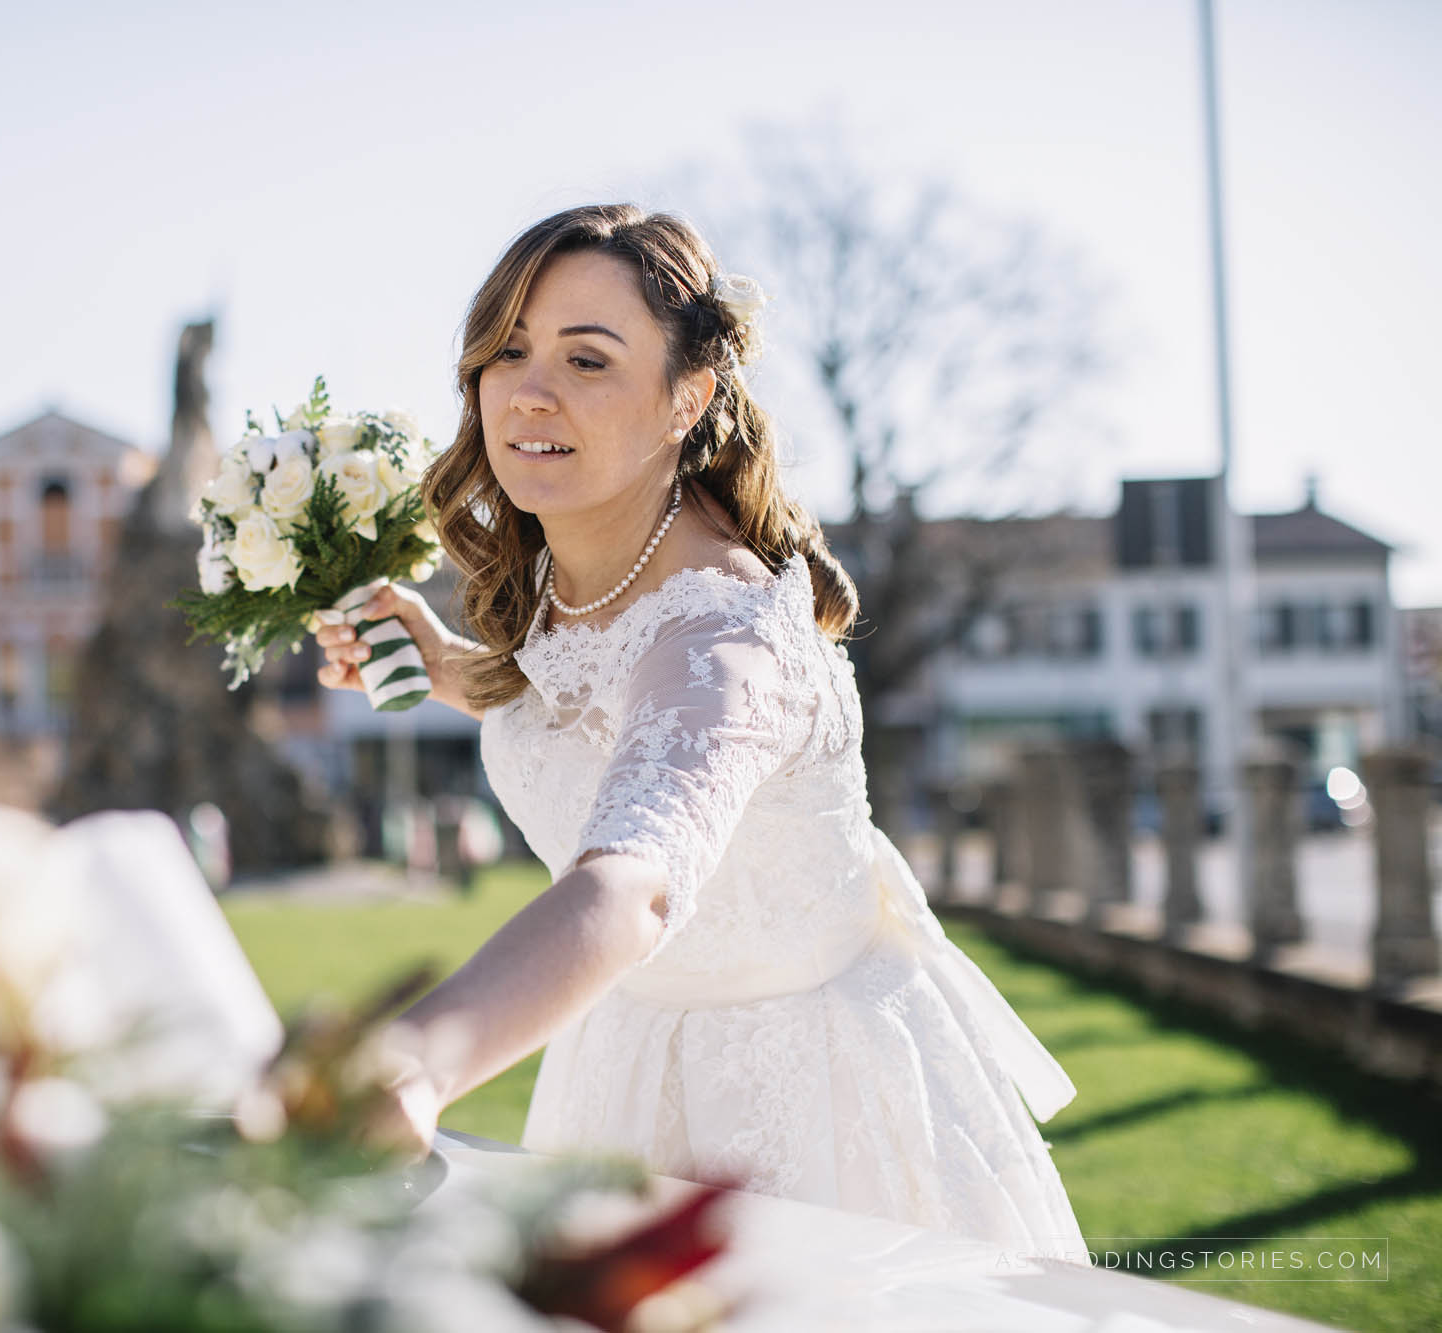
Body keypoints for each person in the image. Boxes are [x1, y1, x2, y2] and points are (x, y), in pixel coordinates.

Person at [315, 204, 1086, 1255]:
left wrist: (412, 1059)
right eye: (508, 351)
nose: (529, 390)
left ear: (687, 399)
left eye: (587, 360)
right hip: (624, 1054)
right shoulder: (571, 563)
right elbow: (595, 712)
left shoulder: (725, 635)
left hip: (813, 1107)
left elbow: (636, 877)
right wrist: (453, 669)